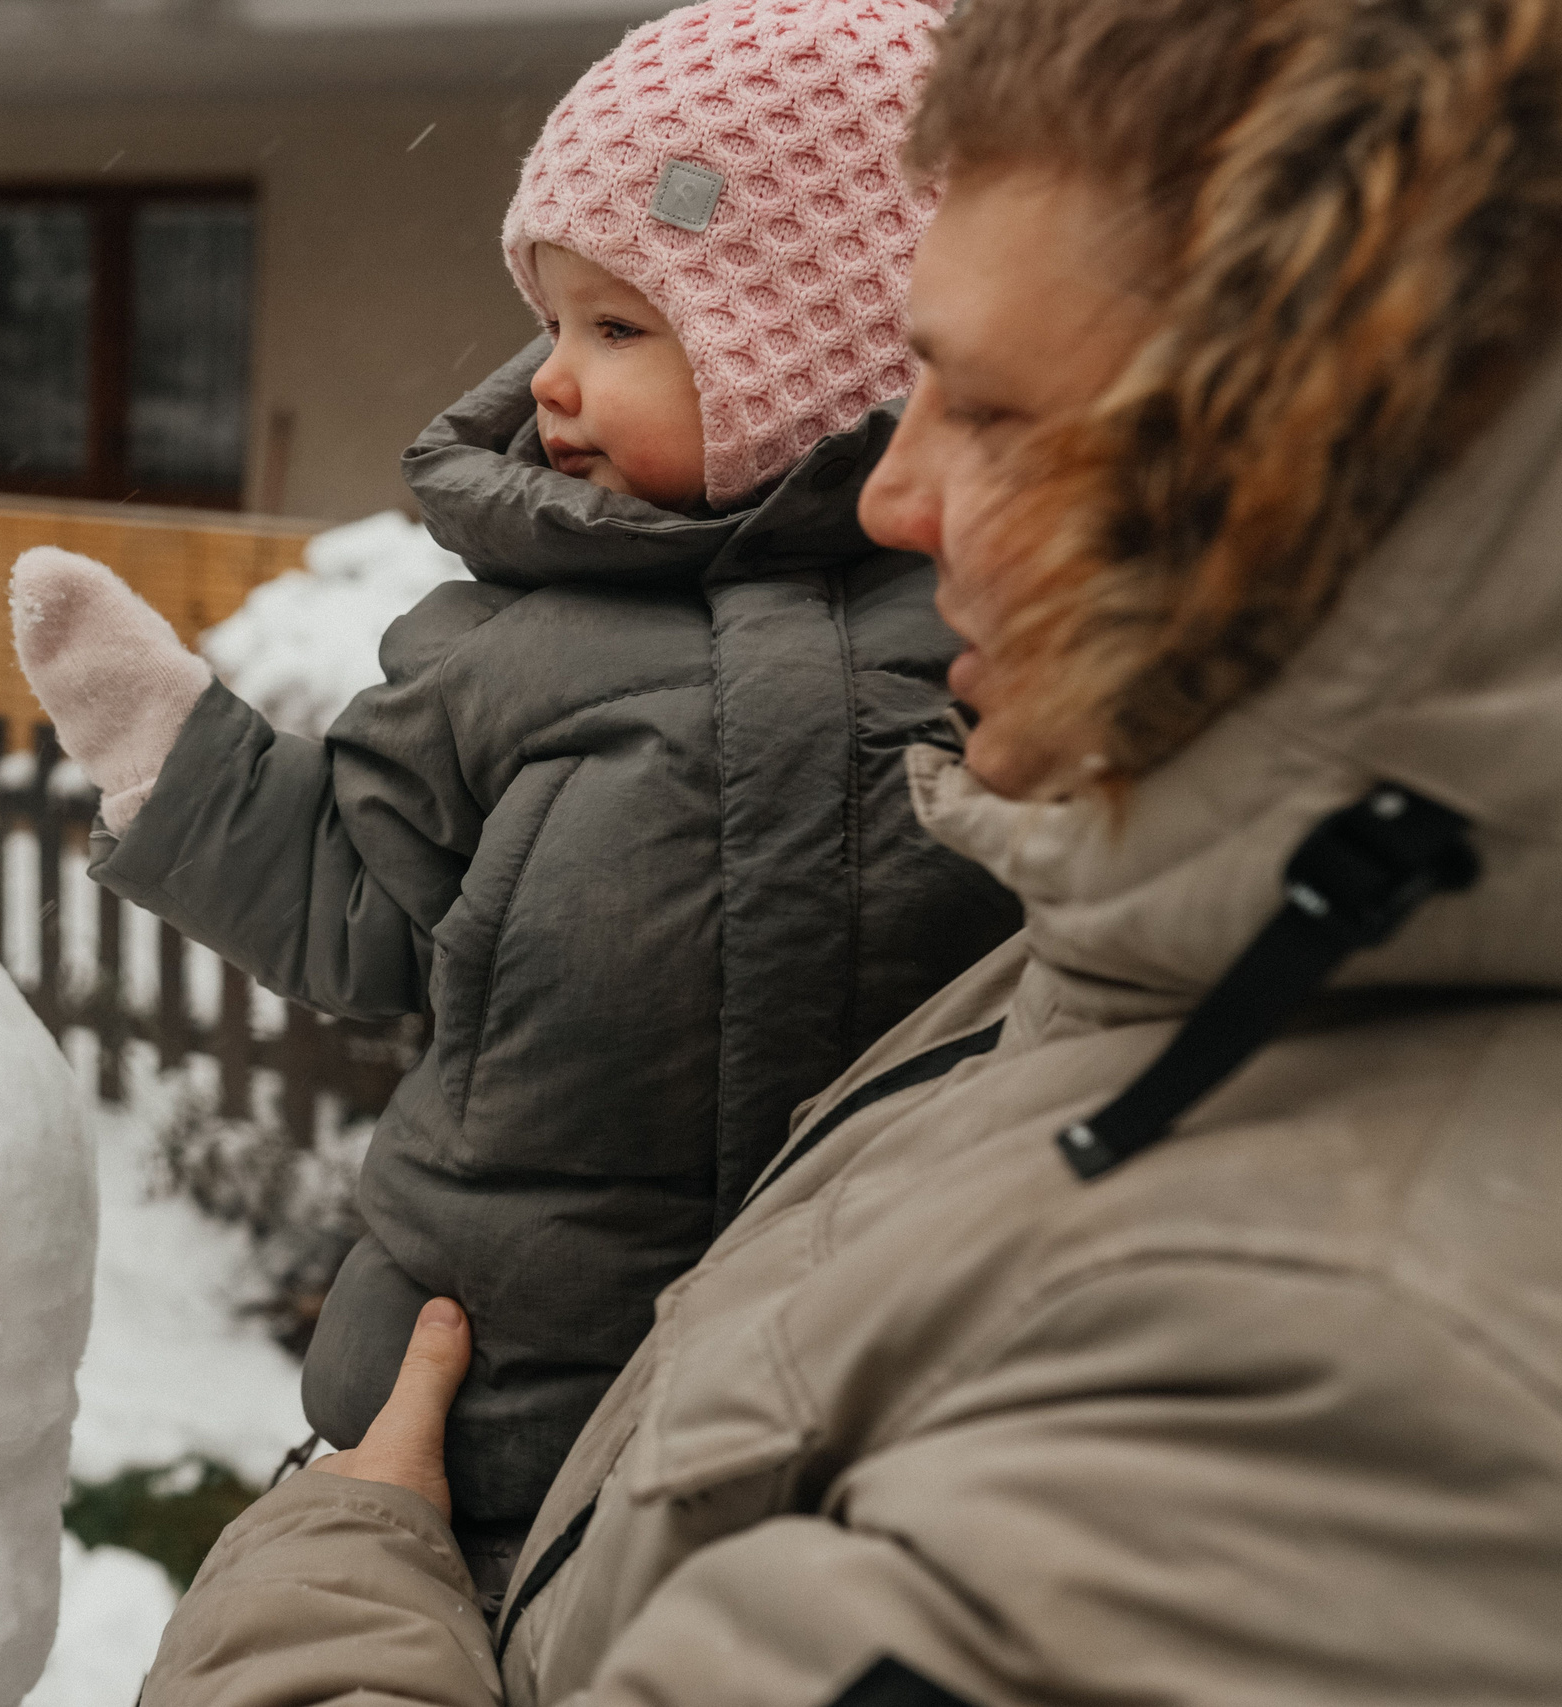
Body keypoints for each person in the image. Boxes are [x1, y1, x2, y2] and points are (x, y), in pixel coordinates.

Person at [134, 0, 1562, 1701]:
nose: (888, 495)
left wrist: (327, 1587)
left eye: (999, 415)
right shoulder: (1138, 950)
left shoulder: (1344, 1372)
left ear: (1327, 493)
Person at [9, 0, 1017, 1601]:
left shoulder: (1008, 632)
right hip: (492, 1411)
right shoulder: (503, 645)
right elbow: (364, 911)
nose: (549, 381)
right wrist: (179, 763)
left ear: (835, 341)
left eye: (621, 330)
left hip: (889, 1422)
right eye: (552, 322)